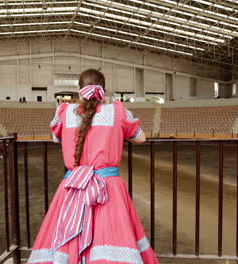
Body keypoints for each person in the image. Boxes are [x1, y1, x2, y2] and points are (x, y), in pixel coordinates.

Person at [28, 69, 158, 264]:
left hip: (74, 187)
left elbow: (56, 138)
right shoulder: (117, 110)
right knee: (113, 235)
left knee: (66, 238)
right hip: (108, 187)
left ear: (79, 89)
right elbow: (141, 138)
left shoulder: (64, 112)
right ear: (103, 91)